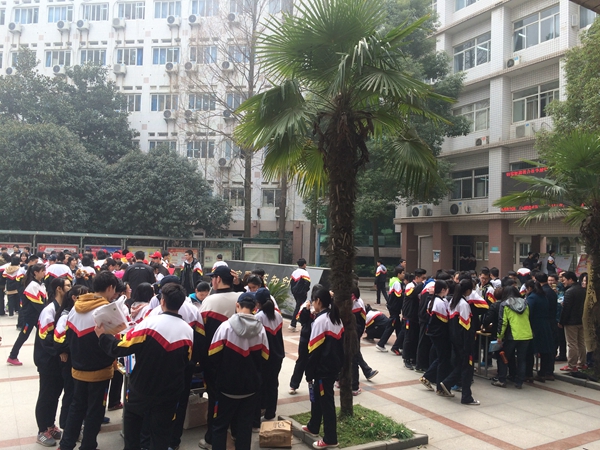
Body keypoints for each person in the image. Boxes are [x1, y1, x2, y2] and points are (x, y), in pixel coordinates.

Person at [97, 283, 193, 450]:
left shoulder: (149, 324)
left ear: (162, 301)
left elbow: (120, 348)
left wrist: (103, 337)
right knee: (161, 436)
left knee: (133, 435)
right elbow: (186, 361)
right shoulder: (188, 331)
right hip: (170, 392)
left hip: (142, 388)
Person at [58, 271, 120, 450]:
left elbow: (68, 337)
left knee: (76, 407)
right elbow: (114, 342)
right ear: (110, 288)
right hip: (99, 370)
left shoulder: (76, 307)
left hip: (77, 368)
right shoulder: (107, 311)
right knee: (95, 411)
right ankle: (88, 445)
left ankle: (66, 444)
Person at [209, 292, 269, 450]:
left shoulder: (225, 327)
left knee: (220, 426)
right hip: (250, 388)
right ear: (254, 308)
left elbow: (213, 356)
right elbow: (265, 357)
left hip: (226, 387)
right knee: (244, 427)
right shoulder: (261, 330)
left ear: (237, 305)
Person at [198, 265, 240, 450]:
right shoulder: (241, 298)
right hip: (239, 356)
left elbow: (201, 331)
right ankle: (236, 433)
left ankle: (212, 438)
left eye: (213, 278)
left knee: (215, 397)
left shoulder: (210, 301)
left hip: (214, 358)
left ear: (218, 280)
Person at [303, 288, 344, 449]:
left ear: (318, 301)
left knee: (326, 402)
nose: (313, 304)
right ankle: (313, 426)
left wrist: (309, 372)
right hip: (332, 366)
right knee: (318, 399)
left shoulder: (321, 321)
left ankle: (330, 438)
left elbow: (314, 350)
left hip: (323, 369)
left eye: (313, 300)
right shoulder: (335, 318)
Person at [34, 277, 72, 446]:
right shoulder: (49, 310)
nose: (70, 288)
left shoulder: (64, 308)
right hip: (47, 359)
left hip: (58, 360)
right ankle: (42, 430)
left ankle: (50, 424)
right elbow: (45, 337)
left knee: (55, 394)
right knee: (46, 395)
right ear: (59, 289)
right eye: (68, 286)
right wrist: (60, 351)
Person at [439, 278, 480, 405]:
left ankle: (447, 383)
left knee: (461, 365)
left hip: (455, 340)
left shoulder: (453, 302)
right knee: (467, 368)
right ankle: (466, 397)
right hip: (464, 342)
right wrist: (469, 344)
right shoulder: (463, 305)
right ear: (467, 290)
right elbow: (466, 327)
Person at [492, 286, 533, 389]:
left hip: (512, 335)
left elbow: (503, 322)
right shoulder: (525, 303)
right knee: (521, 359)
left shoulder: (505, 304)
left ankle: (502, 380)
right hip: (526, 334)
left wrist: (499, 336)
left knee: (504, 357)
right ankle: (519, 382)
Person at [7, 263, 47, 365]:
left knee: (44, 334)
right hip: (30, 316)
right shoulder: (32, 286)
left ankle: (45, 355)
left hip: (36, 316)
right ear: (35, 273)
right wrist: (47, 312)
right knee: (24, 335)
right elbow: (38, 304)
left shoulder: (40, 284)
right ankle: (12, 356)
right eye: (42, 271)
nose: (44, 273)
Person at [254, 288, 284, 424]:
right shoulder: (278, 315)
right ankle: (270, 412)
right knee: (273, 384)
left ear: (257, 303)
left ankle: (258, 414)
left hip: (265, 357)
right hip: (278, 355)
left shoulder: (258, 317)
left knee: (260, 385)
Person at [421, 280, 450, 394]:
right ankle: (439, 387)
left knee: (440, 357)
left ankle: (427, 377)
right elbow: (445, 320)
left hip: (434, 333)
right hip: (439, 334)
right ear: (443, 290)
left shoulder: (433, 301)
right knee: (442, 359)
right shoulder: (439, 303)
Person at [289, 285, 319, 395]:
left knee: (317, 362)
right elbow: (302, 320)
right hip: (306, 338)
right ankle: (293, 385)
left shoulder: (325, 307)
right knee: (301, 361)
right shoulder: (306, 305)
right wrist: (307, 310)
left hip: (318, 339)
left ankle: (315, 384)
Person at [523, 280, 554, 382]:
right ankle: (542, 373)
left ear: (529, 288)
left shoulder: (531, 298)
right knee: (544, 350)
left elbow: (528, 312)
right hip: (545, 325)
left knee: (530, 350)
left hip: (534, 325)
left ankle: (528, 374)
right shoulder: (543, 296)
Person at [559, 271, 587, 371]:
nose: (563, 282)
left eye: (564, 280)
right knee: (581, 343)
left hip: (571, 322)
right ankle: (582, 362)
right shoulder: (583, 290)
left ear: (570, 280)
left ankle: (571, 365)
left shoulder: (569, 292)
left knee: (572, 344)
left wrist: (561, 322)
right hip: (581, 320)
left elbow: (566, 309)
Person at [402, 268, 427, 369]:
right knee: (409, 338)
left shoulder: (420, 286)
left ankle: (413, 357)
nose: (424, 280)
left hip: (417, 316)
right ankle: (406, 358)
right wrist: (422, 284)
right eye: (423, 278)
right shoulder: (410, 286)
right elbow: (412, 294)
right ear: (417, 277)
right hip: (409, 315)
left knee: (415, 337)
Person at [376, 266, 404, 353]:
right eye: (403, 273)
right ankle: (381, 344)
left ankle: (400, 345)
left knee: (398, 326)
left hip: (393, 306)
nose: (404, 275)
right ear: (398, 274)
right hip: (394, 307)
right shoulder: (397, 283)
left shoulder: (394, 281)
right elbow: (399, 295)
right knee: (391, 326)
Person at [289, 258, 311, 331]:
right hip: (302, 293)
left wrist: (293, 291)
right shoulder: (305, 273)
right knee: (299, 308)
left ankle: (300, 324)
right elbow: (307, 283)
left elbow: (291, 283)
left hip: (295, 293)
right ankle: (293, 324)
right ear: (304, 264)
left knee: (299, 307)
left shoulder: (294, 272)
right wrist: (305, 291)